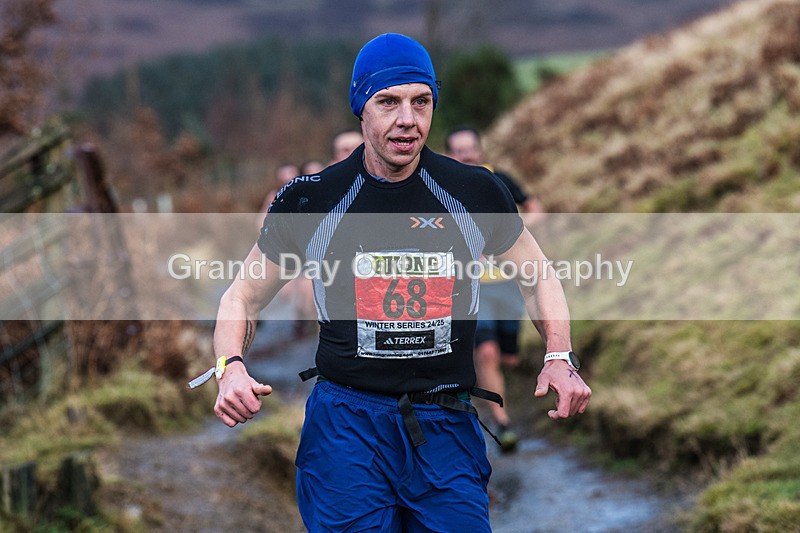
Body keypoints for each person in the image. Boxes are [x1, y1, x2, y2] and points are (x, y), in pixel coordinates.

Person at [208, 33, 590, 531]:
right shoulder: (312, 199)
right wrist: (230, 367)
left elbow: (539, 275)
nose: (407, 119)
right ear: (360, 109)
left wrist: (559, 356)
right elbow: (242, 294)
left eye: (421, 101)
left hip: (445, 423)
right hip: (347, 427)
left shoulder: (472, 190)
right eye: (388, 101)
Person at [445, 126, 546, 452]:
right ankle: (502, 425)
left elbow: (535, 208)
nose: (466, 155)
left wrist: (511, 235)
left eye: (471, 148)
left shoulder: (498, 180)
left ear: (480, 149)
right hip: (472, 287)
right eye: (459, 151)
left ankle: (503, 389)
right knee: (486, 353)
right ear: (450, 154)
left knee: (510, 357)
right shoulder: (443, 186)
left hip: (508, 284)